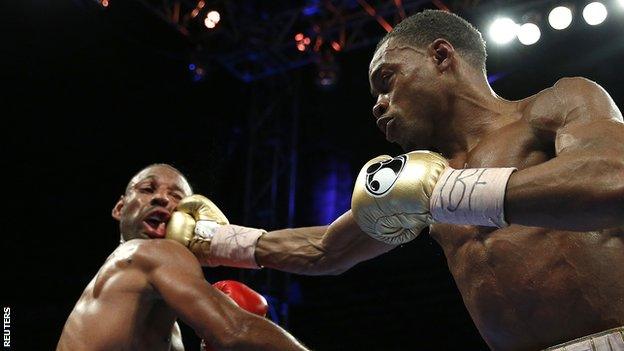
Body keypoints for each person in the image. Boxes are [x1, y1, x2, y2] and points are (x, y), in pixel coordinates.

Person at [166, 10, 624, 351]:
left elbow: (612, 179)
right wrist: (212, 240)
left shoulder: (554, 105)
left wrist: (445, 194)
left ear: (441, 56)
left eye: (387, 80)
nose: (378, 104)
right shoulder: (423, 181)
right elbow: (327, 249)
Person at [56, 164, 308, 351]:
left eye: (176, 196)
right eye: (147, 189)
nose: (162, 198)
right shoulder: (147, 251)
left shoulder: (164, 323)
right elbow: (235, 330)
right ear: (120, 208)